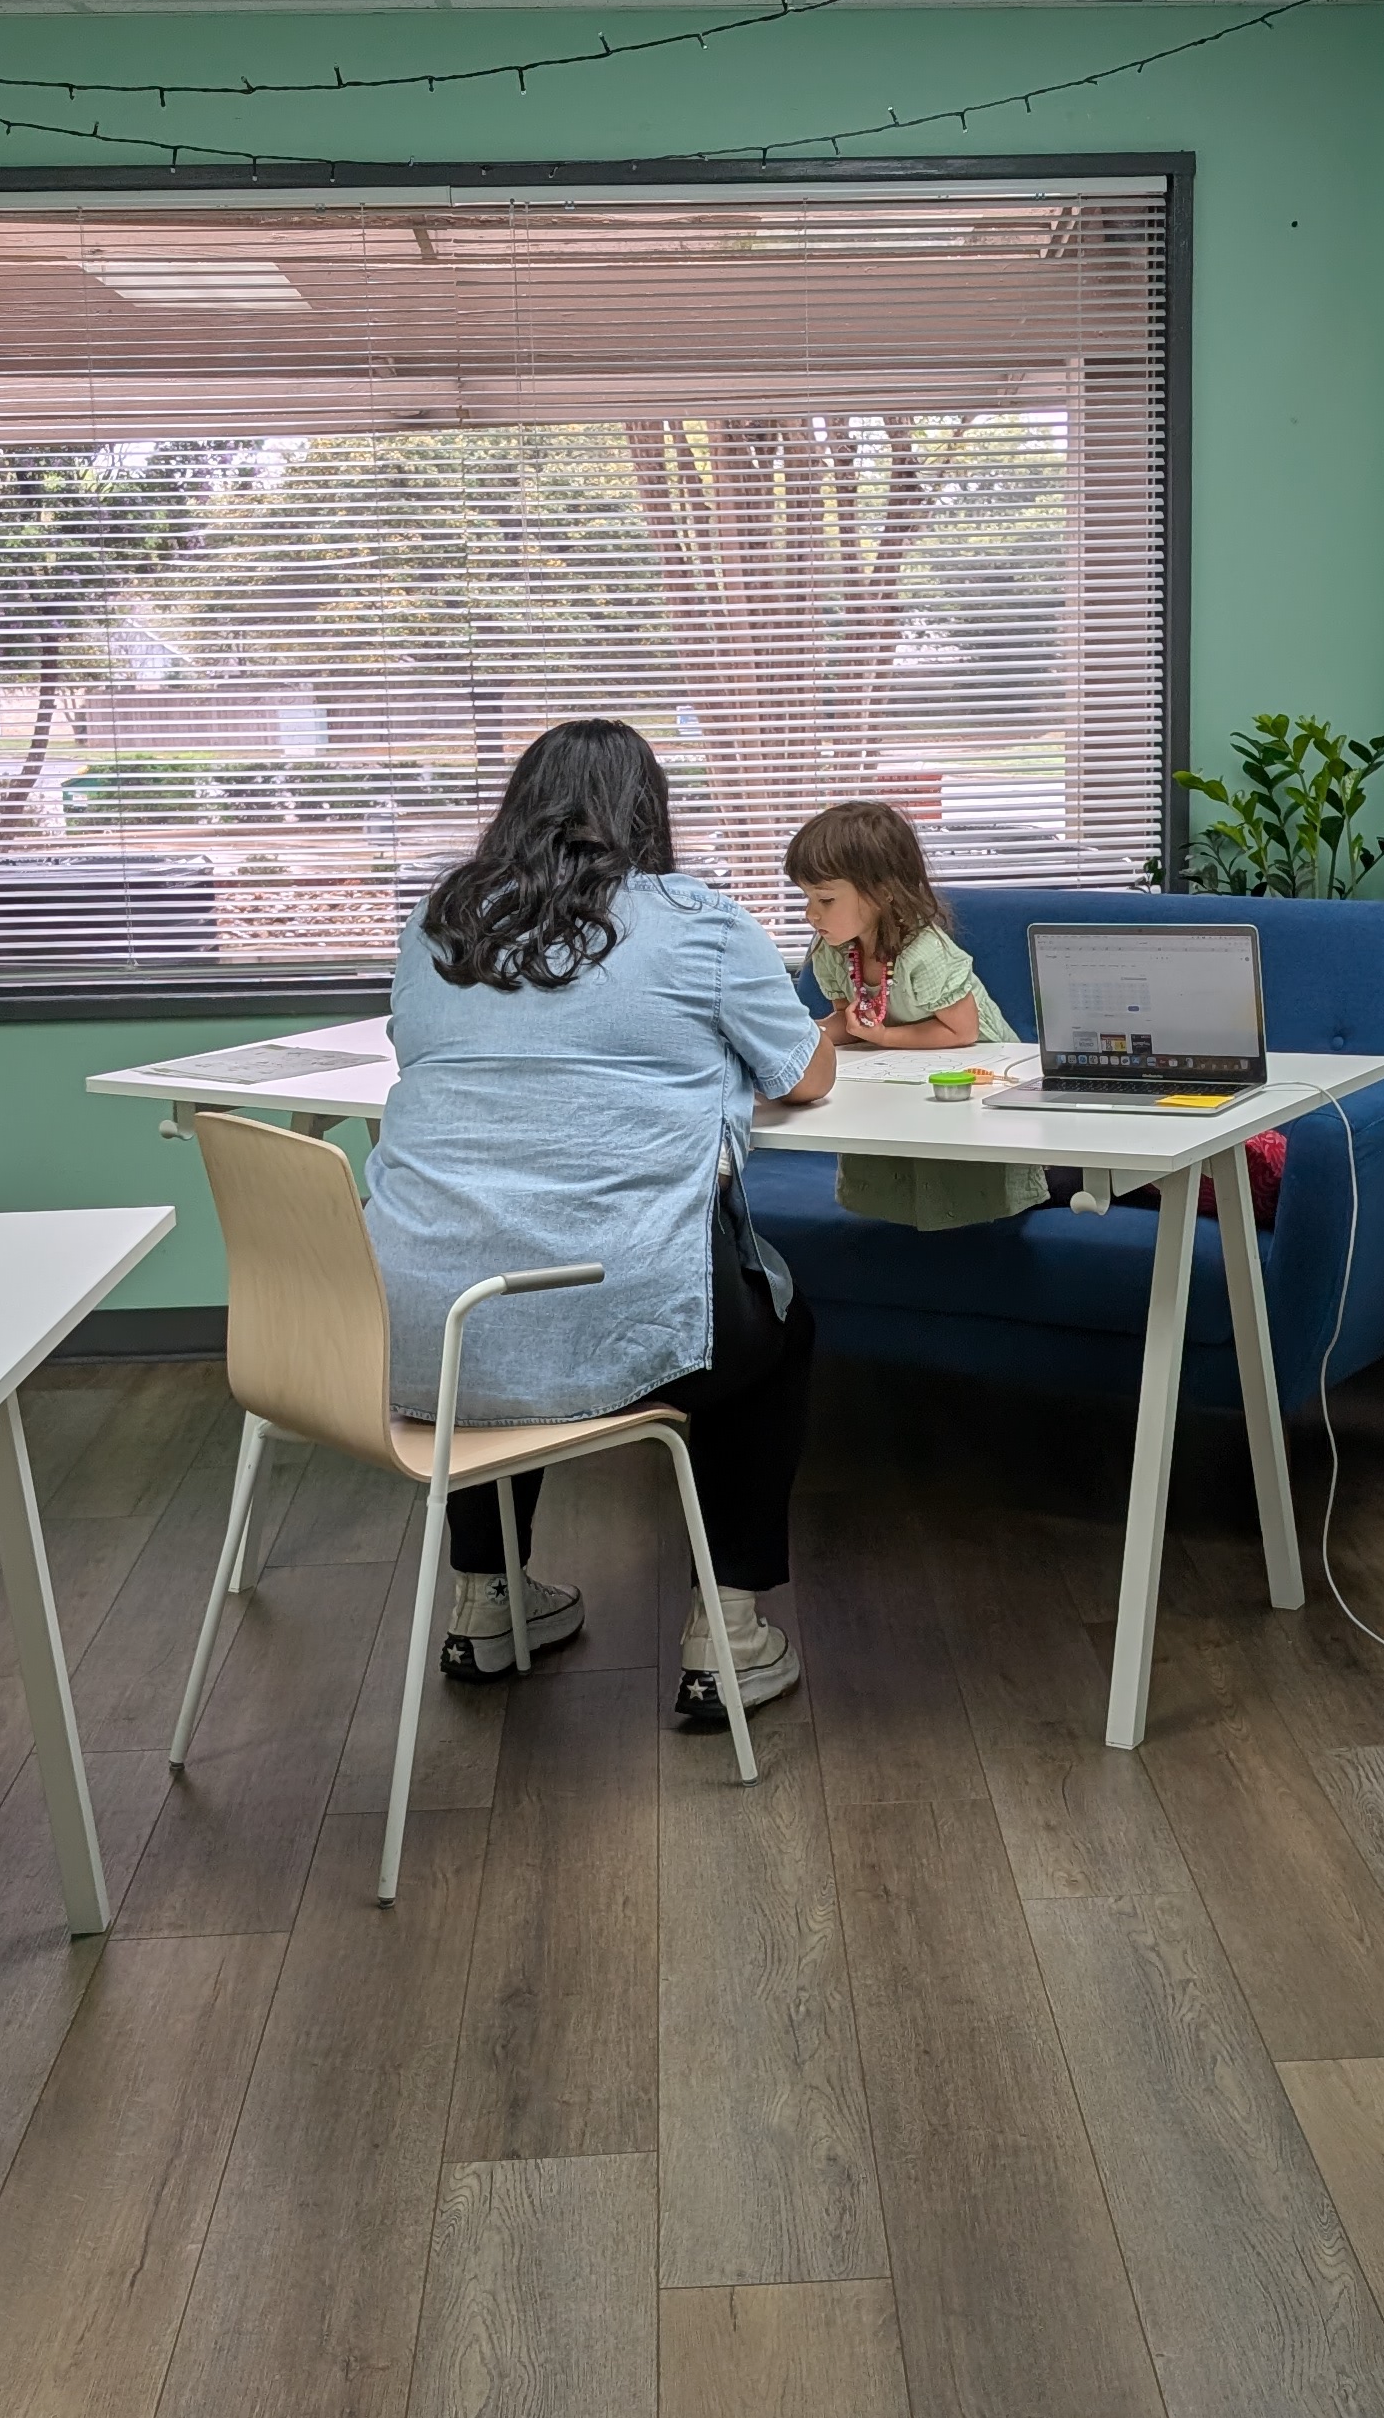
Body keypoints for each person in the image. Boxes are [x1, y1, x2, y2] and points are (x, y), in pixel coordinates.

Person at [365, 721, 832, 1724]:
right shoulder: (699, 923)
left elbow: (416, 1050)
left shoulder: (439, 924)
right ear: (645, 815)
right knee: (773, 1330)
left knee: (483, 1275)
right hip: (620, 1313)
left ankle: (487, 1602)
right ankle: (726, 1633)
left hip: (404, 1326)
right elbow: (804, 1072)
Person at [783, 796, 1047, 1233]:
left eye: (825, 900)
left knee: (961, 1161)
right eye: (807, 898)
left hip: (977, 1064)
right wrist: (808, 1035)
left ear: (883, 893)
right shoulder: (833, 949)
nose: (811, 914)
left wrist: (884, 1038)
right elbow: (850, 1022)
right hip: (910, 1066)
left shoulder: (923, 951)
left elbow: (961, 1031)